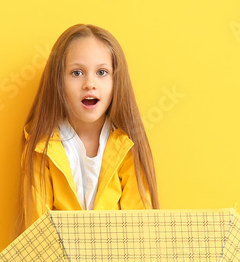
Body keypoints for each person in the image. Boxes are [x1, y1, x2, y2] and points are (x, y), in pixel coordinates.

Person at [10, 24, 159, 239]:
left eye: (102, 72)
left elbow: (141, 232)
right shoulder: (40, 149)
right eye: (77, 72)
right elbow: (37, 235)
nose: (90, 84)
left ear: (117, 81)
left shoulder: (128, 148)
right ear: (58, 82)